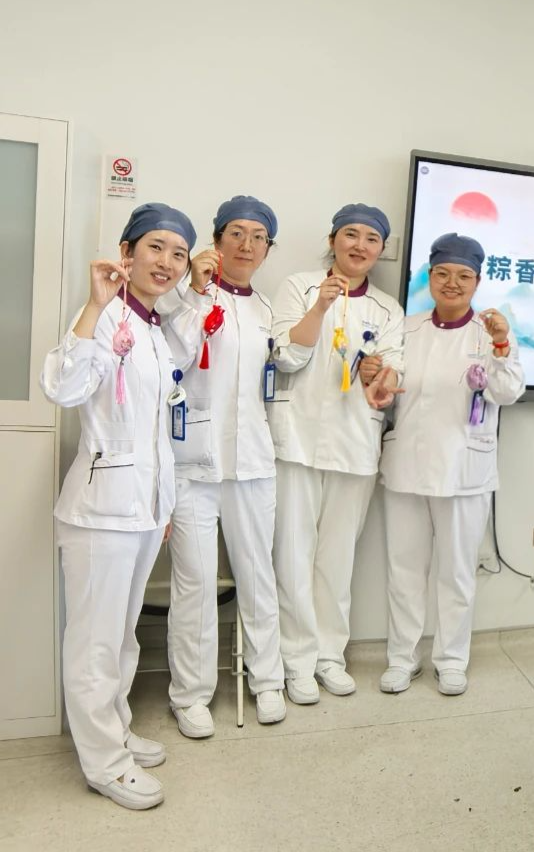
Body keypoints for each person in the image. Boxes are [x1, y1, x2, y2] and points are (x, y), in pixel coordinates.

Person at [40, 203, 197, 810]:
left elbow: (156, 433)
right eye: (155, 247)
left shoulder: (154, 329)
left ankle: (115, 728)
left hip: (142, 510)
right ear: (127, 253)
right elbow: (63, 388)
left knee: (123, 636)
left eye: (179, 253)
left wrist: (162, 508)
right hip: (99, 513)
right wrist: (93, 306)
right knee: (95, 643)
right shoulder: (104, 316)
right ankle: (104, 763)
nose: (167, 262)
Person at [367, 233, 525, 696]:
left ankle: (452, 660)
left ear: (477, 281)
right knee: (404, 570)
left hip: (464, 471)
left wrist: (501, 346)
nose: (452, 283)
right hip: (407, 466)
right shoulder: (407, 329)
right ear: (429, 276)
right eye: (442, 274)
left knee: (456, 573)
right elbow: (385, 389)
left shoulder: (491, 334)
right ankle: (402, 658)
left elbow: (507, 393)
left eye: (463, 276)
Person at [269, 203, 405, 703]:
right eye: (351, 234)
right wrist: (321, 308)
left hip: (355, 445)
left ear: (381, 250)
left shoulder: (389, 310)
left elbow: (393, 375)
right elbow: (285, 355)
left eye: (372, 238)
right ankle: (296, 661)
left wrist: (381, 376)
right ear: (333, 240)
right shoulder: (299, 287)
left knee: (337, 559)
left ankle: (329, 656)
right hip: (297, 442)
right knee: (293, 555)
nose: (360, 245)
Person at [163, 196, 287, 737]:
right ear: (216, 240)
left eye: (258, 237)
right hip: (193, 463)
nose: (246, 245)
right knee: (194, 581)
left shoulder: (267, 310)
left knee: (258, 572)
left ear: (267, 249)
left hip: (252, 461)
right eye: (236, 233)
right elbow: (171, 360)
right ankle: (190, 694)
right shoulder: (179, 298)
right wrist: (193, 292)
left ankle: (268, 680)